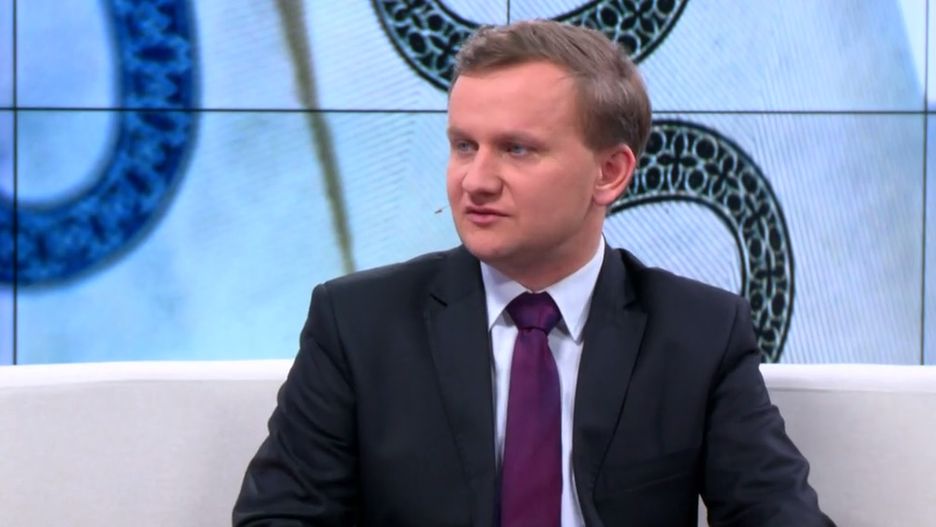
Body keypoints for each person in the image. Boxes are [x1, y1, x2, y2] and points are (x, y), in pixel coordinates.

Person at [233, 20, 833, 526]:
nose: (475, 181)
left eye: (516, 149)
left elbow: (777, 515)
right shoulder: (359, 323)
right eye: (464, 146)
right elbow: (279, 517)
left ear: (609, 173)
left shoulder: (698, 332)